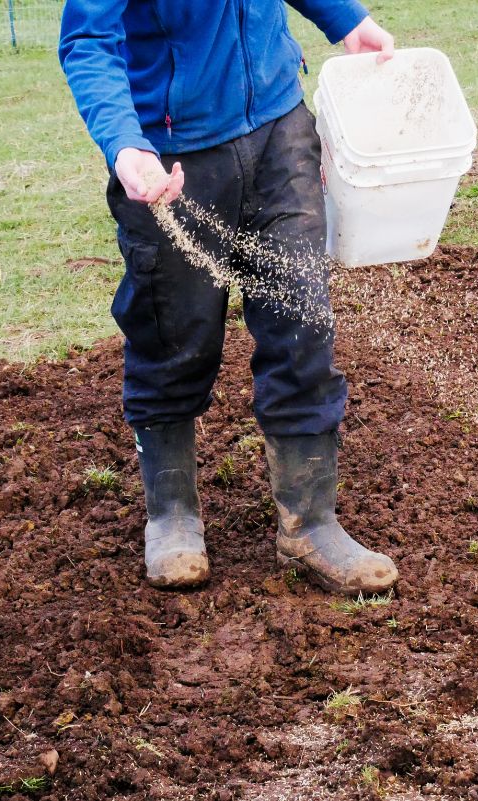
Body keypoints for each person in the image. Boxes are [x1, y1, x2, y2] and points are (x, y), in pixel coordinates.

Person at [59, 1, 399, 596]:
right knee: (174, 336)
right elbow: (89, 40)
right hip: (170, 159)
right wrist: (124, 144)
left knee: (302, 320)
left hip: (279, 132)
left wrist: (346, 19)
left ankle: (310, 523)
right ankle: (172, 516)